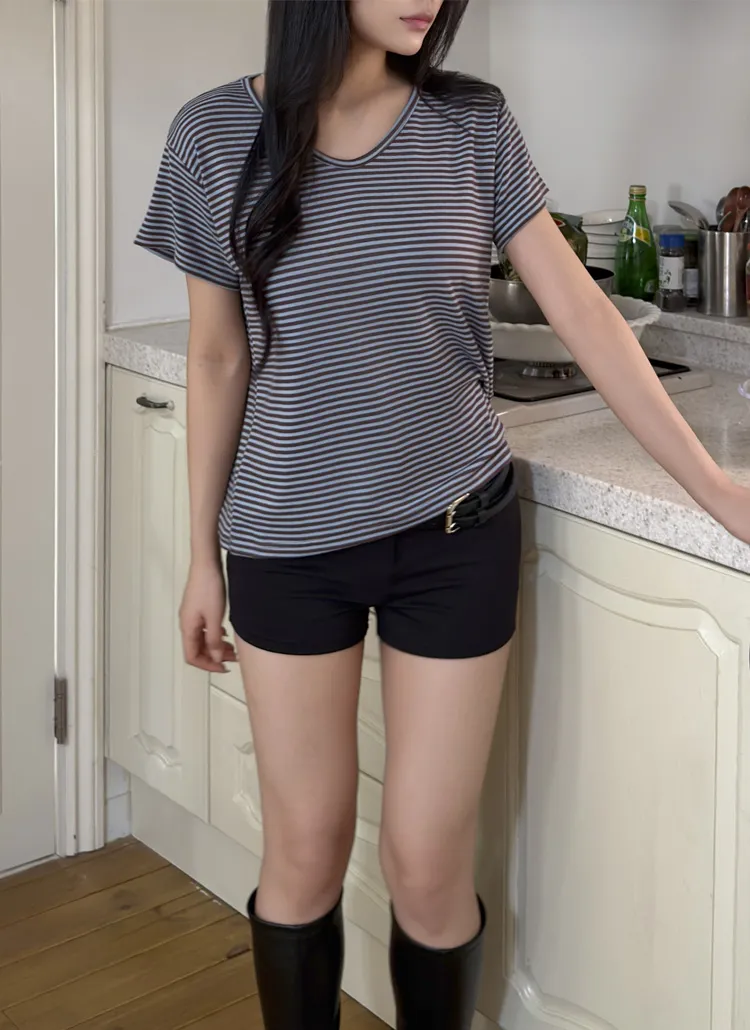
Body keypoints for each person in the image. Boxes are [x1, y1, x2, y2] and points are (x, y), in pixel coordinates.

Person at [135, 1, 750, 1026]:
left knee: (427, 863)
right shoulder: (211, 134)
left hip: (455, 531)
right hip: (287, 541)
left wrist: (718, 487)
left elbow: (585, 313)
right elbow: (215, 355)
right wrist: (201, 553)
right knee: (304, 851)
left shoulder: (472, 124)